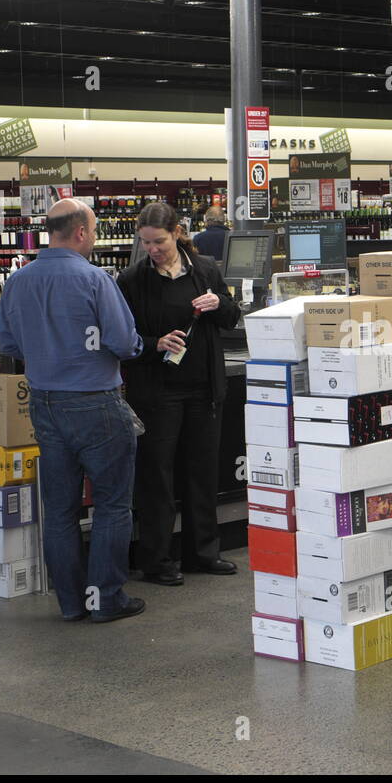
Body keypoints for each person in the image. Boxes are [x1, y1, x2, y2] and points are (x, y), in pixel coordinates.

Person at [0, 198, 147, 624]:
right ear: (81, 231)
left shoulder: (18, 281)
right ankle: (107, 600)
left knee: (59, 509)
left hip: (43, 403)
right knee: (112, 505)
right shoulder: (95, 279)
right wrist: (134, 347)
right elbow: (123, 341)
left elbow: (7, 344)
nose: (95, 238)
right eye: (95, 230)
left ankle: (70, 603)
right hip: (96, 402)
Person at [118, 202, 241, 586]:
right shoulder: (132, 280)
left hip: (203, 388)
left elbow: (231, 315)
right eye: (146, 243)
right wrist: (157, 343)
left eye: (159, 242)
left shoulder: (205, 270)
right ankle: (156, 559)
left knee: (201, 472)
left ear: (176, 233)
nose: (152, 249)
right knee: (157, 477)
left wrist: (219, 302)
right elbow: (123, 338)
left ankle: (203, 553)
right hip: (157, 393)